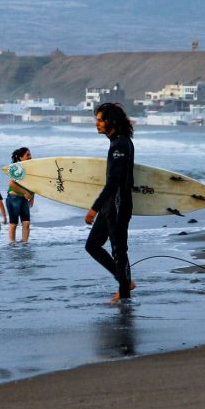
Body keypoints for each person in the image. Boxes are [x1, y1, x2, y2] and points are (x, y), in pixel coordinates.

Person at [84, 103, 136, 302]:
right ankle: (125, 282)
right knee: (92, 245)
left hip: (118, 206)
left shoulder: (121, 145)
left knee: (119, 251)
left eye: (100, 120)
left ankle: (124, 295)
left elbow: (114, 182)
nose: (96, 124)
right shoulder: (117, 143)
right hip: (110, 206)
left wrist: (93, 209)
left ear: (111, 121)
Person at [6, 147, 35, 242]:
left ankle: (24, 244)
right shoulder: (17, 167)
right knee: (14, 224)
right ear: (21, 157)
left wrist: (32, 197)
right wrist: (26, 192)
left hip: (24, 198)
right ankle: (12, 245)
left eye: (30, 154)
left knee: (26, 223)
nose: (30, 157)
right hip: (14, 198)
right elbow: (12, 184)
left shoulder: (31, 168)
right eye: (28, 155)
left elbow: (35, 183)